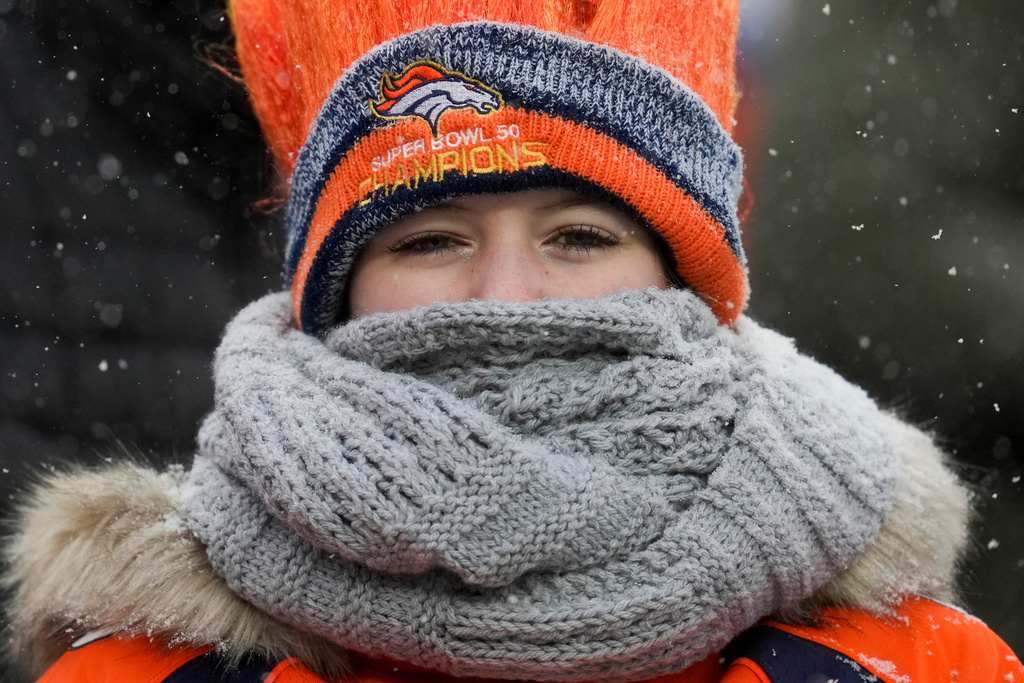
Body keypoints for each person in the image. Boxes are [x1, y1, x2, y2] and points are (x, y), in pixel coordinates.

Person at [4, 0, 1021, 682]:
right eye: (431, 238)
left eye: (578, 237)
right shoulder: (153, 665)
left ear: (685, 281)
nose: (505, 294)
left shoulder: (906, 660)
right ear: (334, 293)